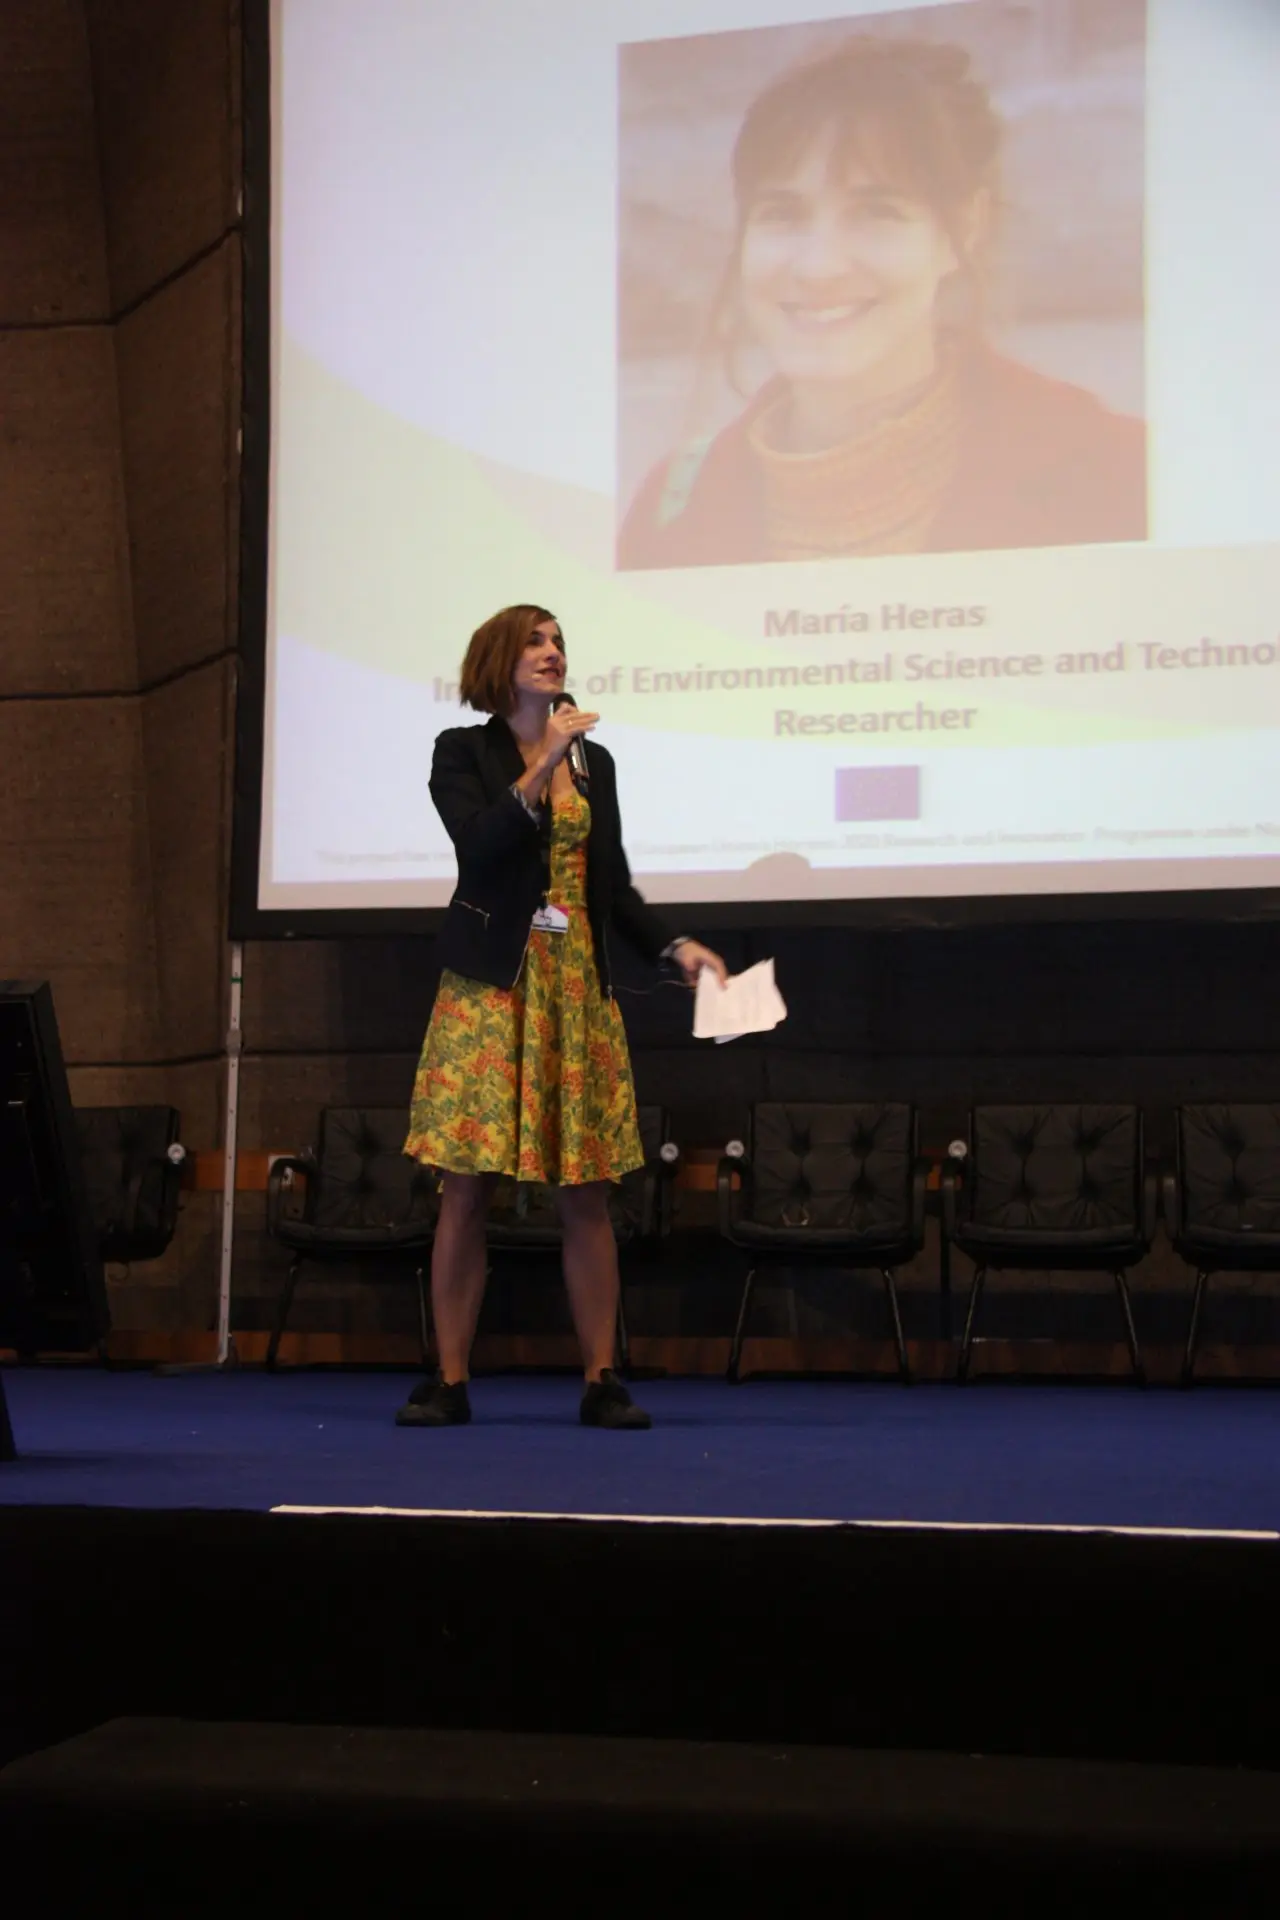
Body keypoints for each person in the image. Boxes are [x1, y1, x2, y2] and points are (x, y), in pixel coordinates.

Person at [618, 34, 1146, 569]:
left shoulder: (1119, 474)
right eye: (782, 213)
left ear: (964, 230)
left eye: (875, 212)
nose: (819, 267)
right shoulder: (668, 517)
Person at [400, 604, 726, 1430]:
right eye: (536, 642)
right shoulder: (461, 751)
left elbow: (610, 882)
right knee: (465, 1190)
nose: (553, 653)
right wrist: (542, 759)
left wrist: (675, 945)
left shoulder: (595, 763)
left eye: (559, 643)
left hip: (575, 988)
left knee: (586, 1191)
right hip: (491, 992)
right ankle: (448, 1379)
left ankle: (601, 1377)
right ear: (498, 661)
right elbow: (479, 846)